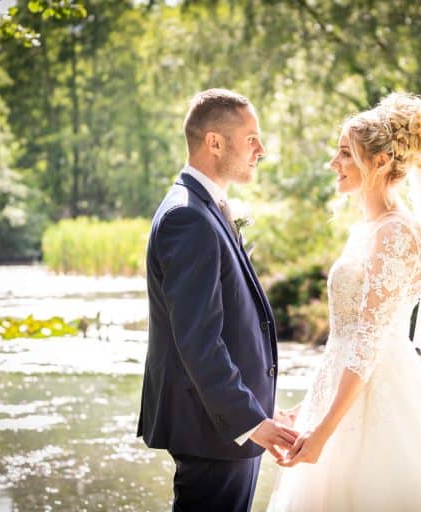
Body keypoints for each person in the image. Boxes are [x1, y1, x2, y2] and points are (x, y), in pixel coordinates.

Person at [267, 93, 421, 511]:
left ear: (380, 161)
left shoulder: (396, 234)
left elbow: (368, 341)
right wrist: (308, 409)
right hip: (344, 391)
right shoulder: (366, 230)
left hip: (384, 399)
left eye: (345, 153)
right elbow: (344, 341)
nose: (333, 163)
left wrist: (322, 434)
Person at [137, 88, 298, 512]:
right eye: (251, 138)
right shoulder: (188, 217)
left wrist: (262, 410)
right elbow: (199, 342)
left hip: (224, 427)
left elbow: (231, 327)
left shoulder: (205, 207)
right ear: (214, 142)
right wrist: (249, 421)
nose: (261, 150)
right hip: (213, 432)